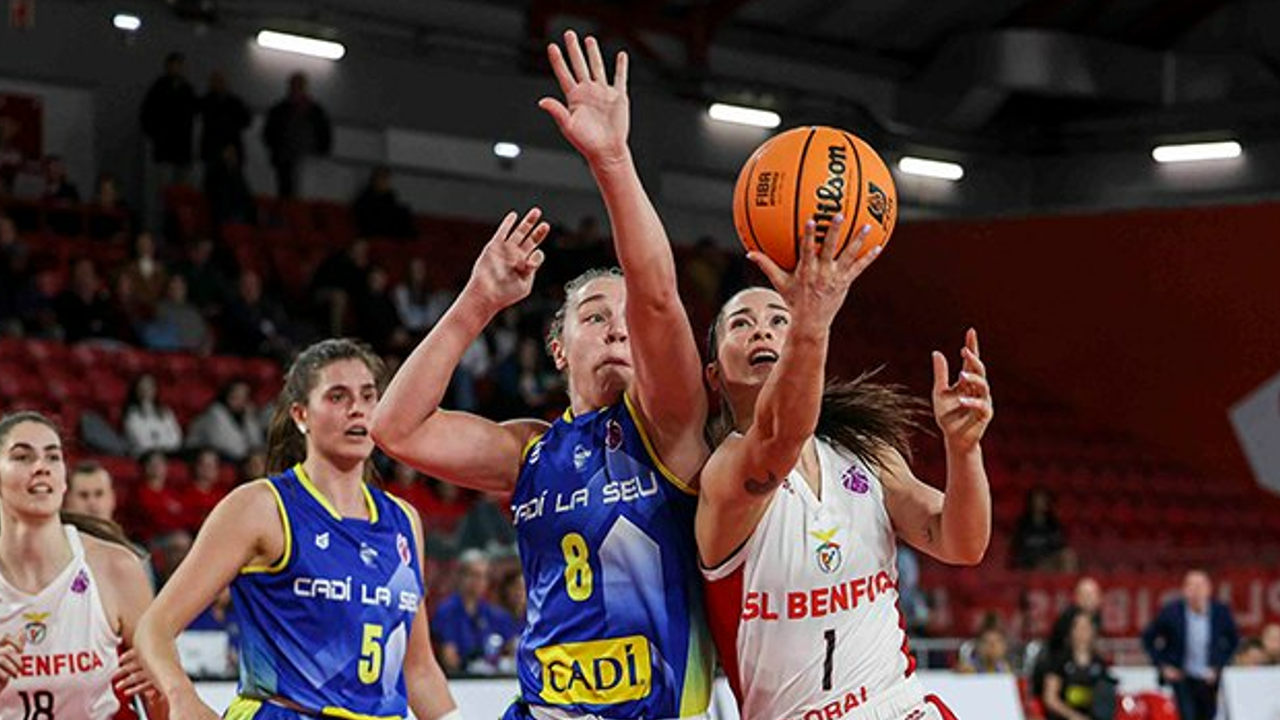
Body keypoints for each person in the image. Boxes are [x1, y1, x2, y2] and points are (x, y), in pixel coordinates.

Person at [373, 31, 713, 720]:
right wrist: (477, 302)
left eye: (626, 318)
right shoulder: (531, 450)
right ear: (557, 349)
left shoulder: (673, 424)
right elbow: (395, 428)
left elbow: (655, 293)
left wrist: (614, 160)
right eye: (594, 315)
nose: (619, 325)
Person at [698, 214, 993, 720]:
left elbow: (961, 543)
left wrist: (964, 449)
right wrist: (810, 322)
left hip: (899, 705)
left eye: (777, 320)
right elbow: (778, 437)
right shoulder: (723, 473)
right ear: (714, 375)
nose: (762, 330)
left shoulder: (866, 451)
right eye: (741, 324)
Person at [134, 339, 461, 720]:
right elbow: (154, 628)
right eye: (338, 397)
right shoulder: (261, 507)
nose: (357, 409)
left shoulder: (404, 521)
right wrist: (182, 697)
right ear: (301, 414)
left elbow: (417, 669)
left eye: (368, 396)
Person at [0, 411, 166, 720]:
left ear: (63, 479)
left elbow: (163, 697)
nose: (40, 467)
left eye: (53, 457)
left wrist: (163, 682)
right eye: (22, 456)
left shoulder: (117, 567)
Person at [1142, 570, 1239, 720]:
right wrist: (1163, 665)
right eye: (1191, 586)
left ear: (1209, 589)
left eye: (1200, 586)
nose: (1196, 591)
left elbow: (1234, 640)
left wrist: (1219, 665)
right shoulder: (1171, 612)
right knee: (1187, 715)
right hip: (1182, 677)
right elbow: (1148, 638)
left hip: (1208, 679)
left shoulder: (1220, 612)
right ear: (1184, 590)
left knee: (1208, 715)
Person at [431, 549, 520, 677]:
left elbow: (512, 647)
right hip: (461, 681)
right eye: (474, 575)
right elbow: (450, 659)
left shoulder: (492, 613)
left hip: (494, 680)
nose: (480, 581)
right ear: (461, 577)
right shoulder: (447, 611)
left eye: (484, 576)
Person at [262, 73, 332, 198]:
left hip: (309, 158)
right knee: (286, 192)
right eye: (295, 85)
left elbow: (324, 132)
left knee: (306, 192)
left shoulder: (315, 110)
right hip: (285, 158)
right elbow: (269, 132)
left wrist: (323, 151)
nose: (297, 88)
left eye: (300, 85)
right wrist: (276, 149)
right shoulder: (280, 109)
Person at [1042, 612, 1116, 720]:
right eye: (1078, 627)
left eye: (1086, 627)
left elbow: (1105, 701)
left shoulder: (1099, 664)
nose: (1082, 632)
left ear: (1093, 631)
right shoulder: (1059, 661)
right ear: (1071, 631)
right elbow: (1050, 698)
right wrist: (1073, 716)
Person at [122, 374, 184, 456]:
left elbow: (176, 438)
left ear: (155, 390)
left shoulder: (166, 411)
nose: (146, 391)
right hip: (144, 454)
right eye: (142, 388)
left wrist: (158, 442)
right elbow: (142, 442)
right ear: (136, 390)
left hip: (168, 453)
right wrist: (162, 440)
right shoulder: (131, 414)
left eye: (149, 387)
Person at [1010, 486, 1069, 570]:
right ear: (1031, 502)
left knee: (1067, 556)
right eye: (1039, 500)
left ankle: (1068, 581)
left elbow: (1059, 545)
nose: (1041, 503)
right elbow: (1018, 549)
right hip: (1030, 563)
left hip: (1050, 560)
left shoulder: (1053, 524)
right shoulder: (1023, 524)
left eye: (1044, 500)